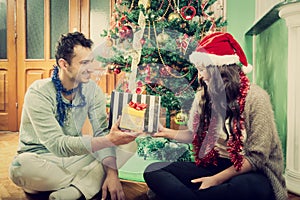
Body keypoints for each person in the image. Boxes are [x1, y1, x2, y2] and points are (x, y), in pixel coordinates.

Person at [143, 32, 288, 200]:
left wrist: (215, 180)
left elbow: (256, 158)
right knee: (153, 170)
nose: (200, 76)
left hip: (250, 171)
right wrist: (165, 132)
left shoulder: (255, 98)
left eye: (203, 69)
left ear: (220, 69)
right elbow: (195, 135)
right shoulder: (203, 96)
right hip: (215, 164)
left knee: (253, 188)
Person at [9, 32, 139, 200]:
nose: (91, 68)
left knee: (128, 145)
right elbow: (57, 145)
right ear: (64, 64)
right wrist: (108, 142)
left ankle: (74, 192)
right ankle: (86, 184)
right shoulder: (38, 92)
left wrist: (113, 174)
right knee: (20, 168)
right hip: (41, 159)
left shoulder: (92, 90)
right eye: (84, 63)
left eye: (91, 61)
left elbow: (101, 133)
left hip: (74, 158)